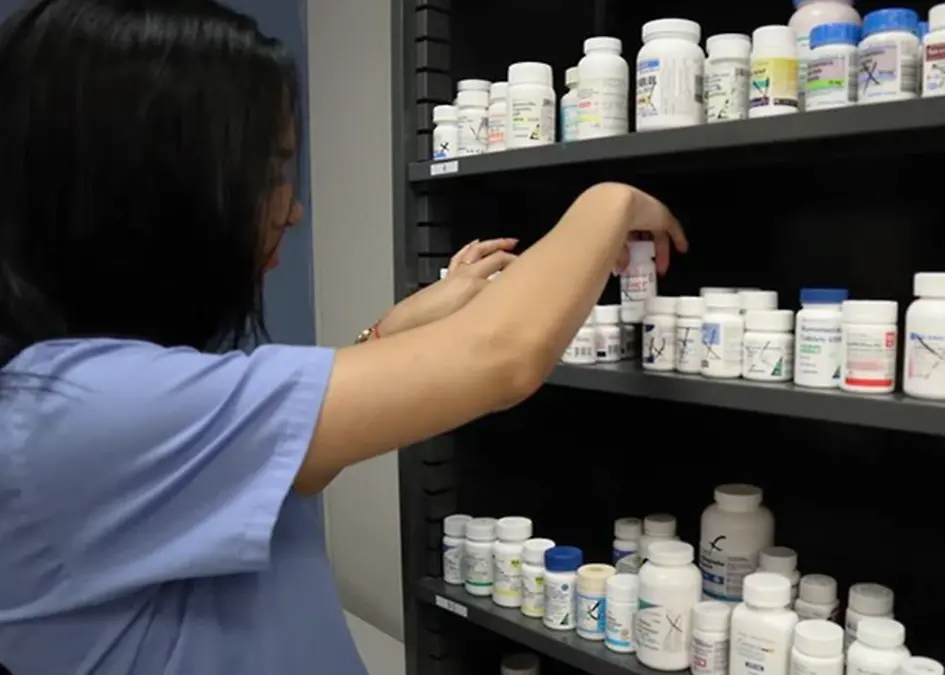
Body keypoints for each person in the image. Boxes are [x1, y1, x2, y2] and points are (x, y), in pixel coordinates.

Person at [0, 1, 687, 674]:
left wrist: (395, 330)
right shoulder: (76, 413)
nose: (293, 209)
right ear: (145, 186)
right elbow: (502, 356)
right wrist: (611, 200)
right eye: (268, 172)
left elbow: (293, 458)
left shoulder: (73, 392)